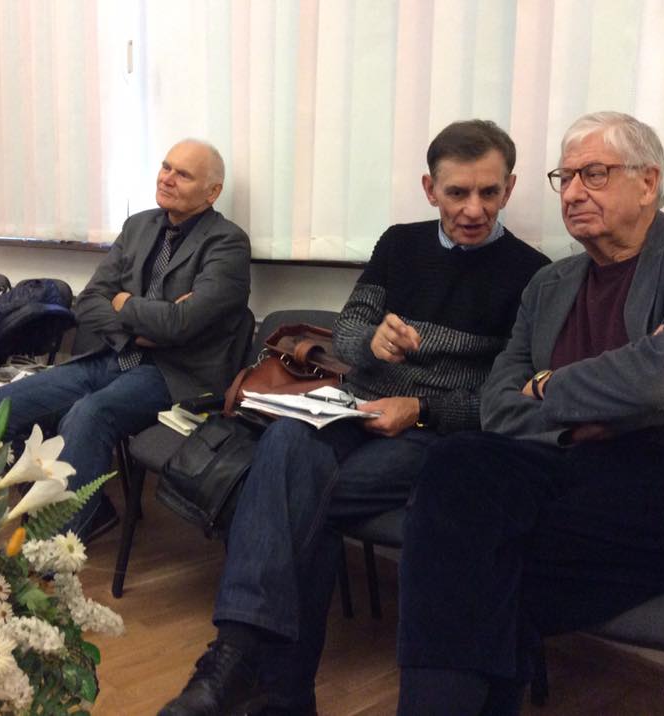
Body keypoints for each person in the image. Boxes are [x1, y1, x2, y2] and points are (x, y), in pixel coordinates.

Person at [395, 112, 664, 715]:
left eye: (595, 174)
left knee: (468, 565)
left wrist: (549, 385)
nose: (574, 192)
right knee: (457, 463)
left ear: (648, 181)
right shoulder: (549, 284)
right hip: (578, 465)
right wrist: (611, 402)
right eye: (566, 177)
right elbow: (498, 406)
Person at [159, 120, 551, 716]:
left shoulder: (532, 275)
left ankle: (250, 672)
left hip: (434, 436)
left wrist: (423, 407)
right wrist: (372, 340)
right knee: (285, 443)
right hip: (350, 409)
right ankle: (253, 669)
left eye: (489, 192)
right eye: (457, 193)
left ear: (511, 187)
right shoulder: (399, 245)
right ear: (429, 188)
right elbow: (345, 330)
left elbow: (514, 398)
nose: (474, 209)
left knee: (295, 497)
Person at [0, 139, 251, 542]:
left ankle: (56, 542)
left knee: (88, 415)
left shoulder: (227, 243)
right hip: (116, 353)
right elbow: (90, 301)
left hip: (174, 373)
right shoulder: (139, 226)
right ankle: (88, 508)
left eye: (183, 174)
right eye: (166, 167)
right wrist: (143, 326)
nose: (167, 178)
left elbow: (181, 324)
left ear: (212, 192)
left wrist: (125, 302)